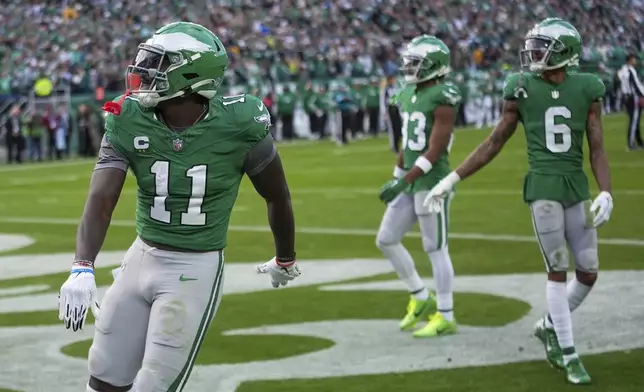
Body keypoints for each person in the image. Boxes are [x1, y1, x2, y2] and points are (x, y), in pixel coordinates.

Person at [57, 22, 301, 392]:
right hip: (142, 256)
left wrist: (285, 258)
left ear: (190, 72)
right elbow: (101, 198)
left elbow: (277, 195)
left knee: (153, 386)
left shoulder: (239, 123)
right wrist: (81, 265)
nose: (143, 70)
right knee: (103, 376)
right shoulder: (127, 116)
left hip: (195, 266)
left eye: (158, 62)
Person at [423, 18, 612, 385]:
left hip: (576, 184)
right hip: (542, 188)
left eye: (543, 46)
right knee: (557, 270)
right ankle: (570, 354)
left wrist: (606, 190)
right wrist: (450, 179)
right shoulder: (521, 87)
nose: (534, 52)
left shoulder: (588, 88)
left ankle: (549, 325)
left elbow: (598, 147)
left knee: (588, 272)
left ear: (565, 51)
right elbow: (494, 142)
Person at [376, 35, 461, 338]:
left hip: (432, 182)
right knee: (386, 239)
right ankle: (422, 297)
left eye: (416, 63)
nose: (410, 67)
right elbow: (406, 145)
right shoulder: (408, 94)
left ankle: (446, 314)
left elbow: (435, 150)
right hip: (412, 178)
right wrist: (398, 175)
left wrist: (404, 181)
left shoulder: (443, 97)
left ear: (434, 66)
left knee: (434, 248)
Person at [617, 53, 644, 150]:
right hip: (633, 97)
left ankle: (639, 141)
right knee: (634, 121)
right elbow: (634, 85)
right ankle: (630, 144)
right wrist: (641, 95)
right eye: (634, 59)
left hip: (627, 97)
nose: (635, 61)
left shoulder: (622, 70)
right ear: (629, 60)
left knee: (635, 120)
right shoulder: (630, 70)